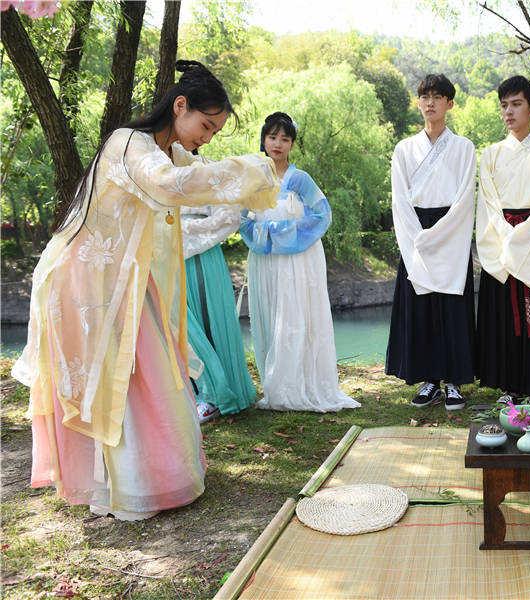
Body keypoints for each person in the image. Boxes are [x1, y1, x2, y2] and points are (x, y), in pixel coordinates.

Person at [11, 61, 280, 520]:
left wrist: (249, 182)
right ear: (180, 106)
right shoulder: (129, 144)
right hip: (84, 274)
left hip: (124, 277)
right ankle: (121, 487)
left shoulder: (168, 151)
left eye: (215, 130)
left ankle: (153, 479)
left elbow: (202, 178)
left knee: (149, 371)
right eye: (206, 124)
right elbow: (172, 186)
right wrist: (253, 168)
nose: (208, 137)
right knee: (109, 377)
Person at [240, 112, 359, 413]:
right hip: (265, 260)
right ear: (263, 139)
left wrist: (279, 234)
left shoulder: (300, 179)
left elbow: (322, 217)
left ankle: (300, 386)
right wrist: (262, 237)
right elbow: (241, 219)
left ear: (292, 144)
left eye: (285, 139)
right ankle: (276, 387)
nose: (277, 144)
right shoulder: (253, 178)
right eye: (272, 137)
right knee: (270, 318)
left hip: (298, 260)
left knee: (296, 321)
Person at [385, 74, 477, 410]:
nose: (430, 103)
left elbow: (466, 197)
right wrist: (416, 239)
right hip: (415, 234)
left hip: (451, 230)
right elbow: (399, 200)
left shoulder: (464, 147)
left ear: (449, 103)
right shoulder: (405, 149)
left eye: (438, 97)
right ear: (418, 101)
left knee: (451, 307)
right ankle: (428, 381)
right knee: (421, 307)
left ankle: (453, 381)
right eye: (424, 96)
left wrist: (440, 235)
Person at [476, 75, 530, 402]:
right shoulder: (490, 154)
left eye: (516, 104)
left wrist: (521, 239)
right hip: (502, 239)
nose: (509, 112)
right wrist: (506, 237)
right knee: (503, 320)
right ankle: (508, 385)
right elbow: (487, 203)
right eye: (504, 106)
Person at [182, 202, 257, 423]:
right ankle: (194, 392)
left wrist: (189, 228)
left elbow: (230, 216)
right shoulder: (152, 172)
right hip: (165, 252)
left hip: (202, 253)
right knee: (178, 325)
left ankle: (213, 396)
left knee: (208, 320)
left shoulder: (203, 171)